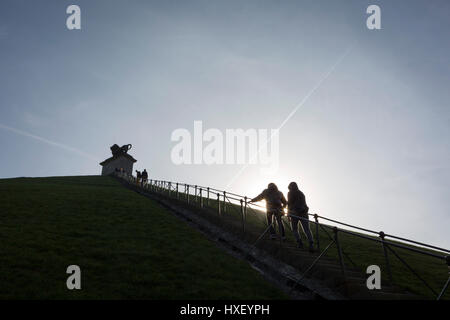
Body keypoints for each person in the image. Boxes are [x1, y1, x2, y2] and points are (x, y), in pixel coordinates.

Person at [287, 181, 314, 252]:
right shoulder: (301, 193)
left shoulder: (290, 193)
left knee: (295, 229)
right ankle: (311, 244)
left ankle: (300, 243)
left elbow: (289, 204)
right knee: (306, 229)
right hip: (303, 213)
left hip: (295, 213)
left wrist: (288, 214)